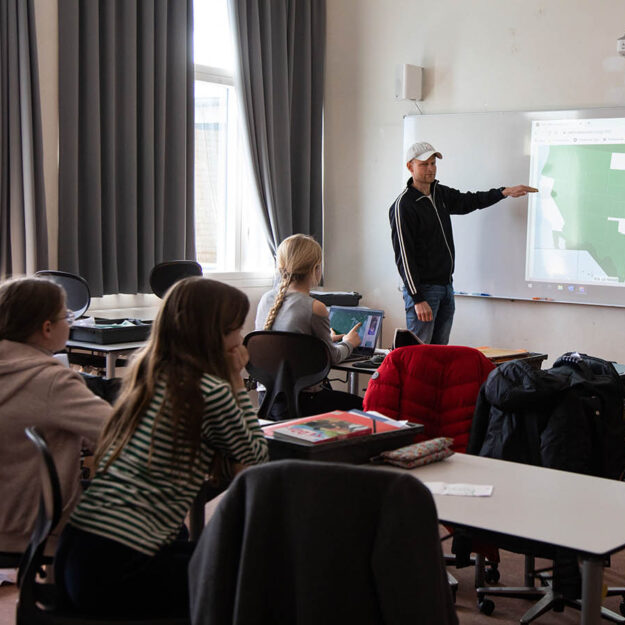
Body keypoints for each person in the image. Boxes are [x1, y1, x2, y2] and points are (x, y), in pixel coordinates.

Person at [55, 277, 269, 617]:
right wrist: (237, 381)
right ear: (212, 335)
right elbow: (256, 454)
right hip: (122, 567)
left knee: (210, 552)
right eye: (234, 330)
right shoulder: (209, 389)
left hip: (80, 555)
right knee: (249, 575)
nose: (240, 340)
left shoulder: (153, 374)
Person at [0, 277, 110, 556]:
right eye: (67, 316)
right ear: (47, 328)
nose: (70, 322)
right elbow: (117, 434)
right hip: (31, 527)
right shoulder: (51, 381)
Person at [389, 141, 537, 344]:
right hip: (424, 291)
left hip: (446, 287)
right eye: (424, 164)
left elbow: (470, 201)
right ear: (410, 166)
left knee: (440, 354)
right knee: (418, 356)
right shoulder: (403, 206)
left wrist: (503, 192)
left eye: (433, 163)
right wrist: (417, 298)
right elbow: (404, 257)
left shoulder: (440, 194)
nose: (431, 169)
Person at [255, 234, 364, 419]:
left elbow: (288, 345)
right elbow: (334, 357)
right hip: (304, 402)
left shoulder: (266, 299)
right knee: (366, 404)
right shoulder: (315, 307)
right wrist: (349, 343)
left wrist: (323, 341)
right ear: (316, 268)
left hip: (267, 398)